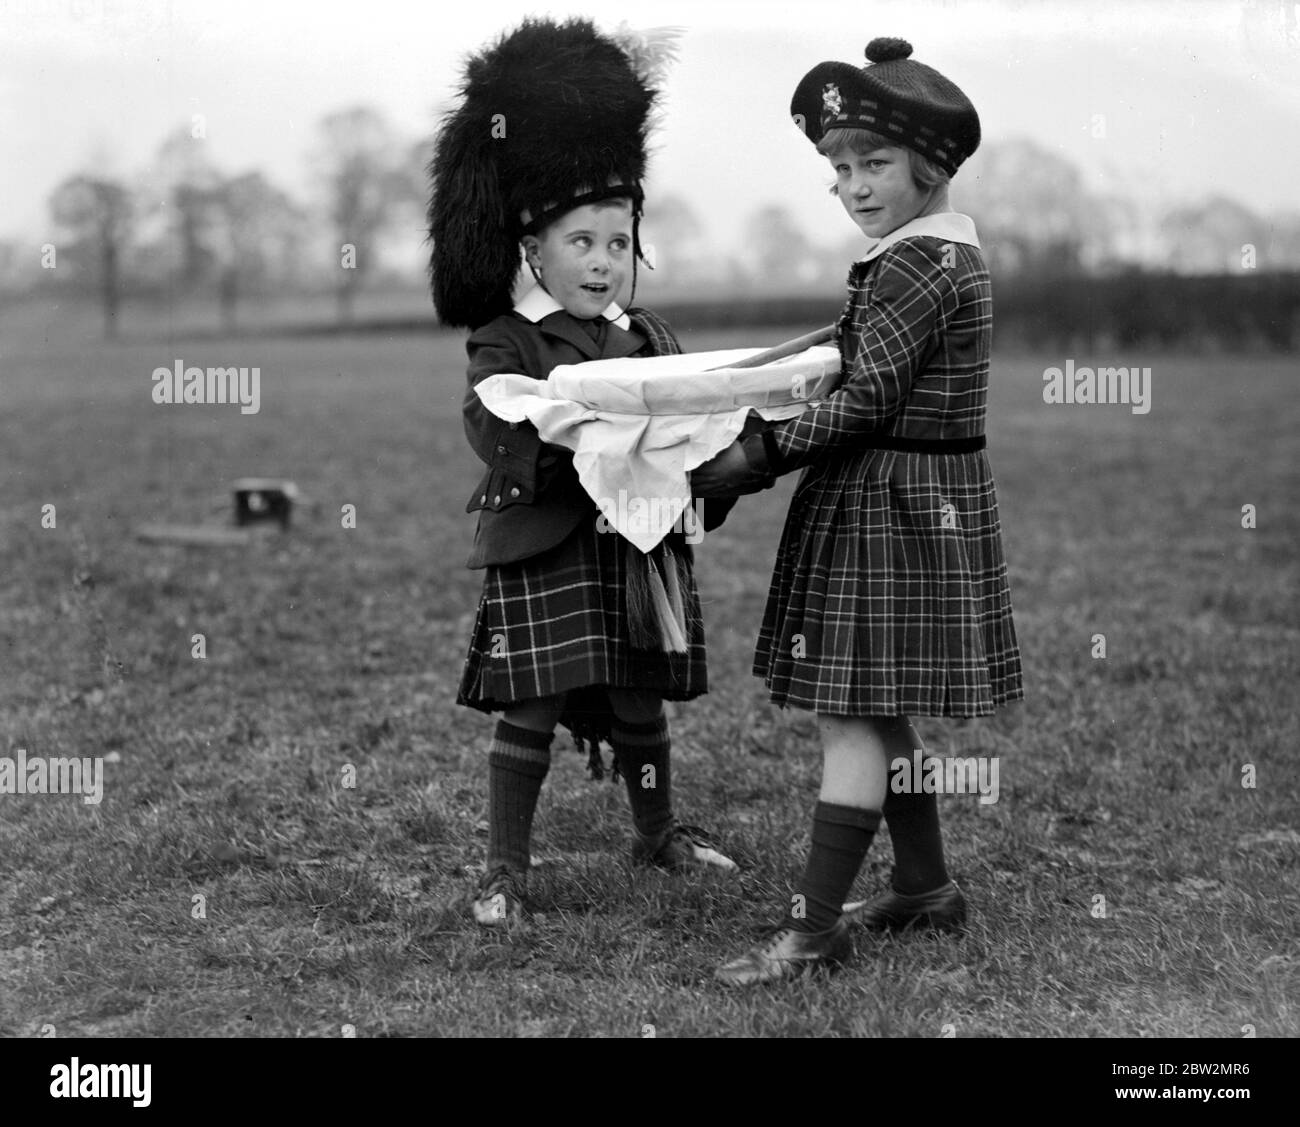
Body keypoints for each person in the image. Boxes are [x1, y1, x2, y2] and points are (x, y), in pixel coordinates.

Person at [692, 37, 1024, 985]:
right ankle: (923, 887)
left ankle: (813, 930)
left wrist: (756, 452)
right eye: (838, 168)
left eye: (874, 163)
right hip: (914, 497)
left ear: (933, 163)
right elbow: (862, 368)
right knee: (874, 708)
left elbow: (872, 398)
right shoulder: (927, 253)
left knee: (846, 714)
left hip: (895, 502)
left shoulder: (918, 263)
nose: (854, 185)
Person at [427, 18, 736, 928]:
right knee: (532, 700)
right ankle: (504, 870)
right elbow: (495, 422)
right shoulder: (504, 336)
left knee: (641, 697)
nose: (603, 261)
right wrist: (586, 438)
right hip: (547, 540)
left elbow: (689, 430)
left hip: (637, 549)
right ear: (532, 245)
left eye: (617, 241)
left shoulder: (651, 340)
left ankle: (658, 832)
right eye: (581, 243)